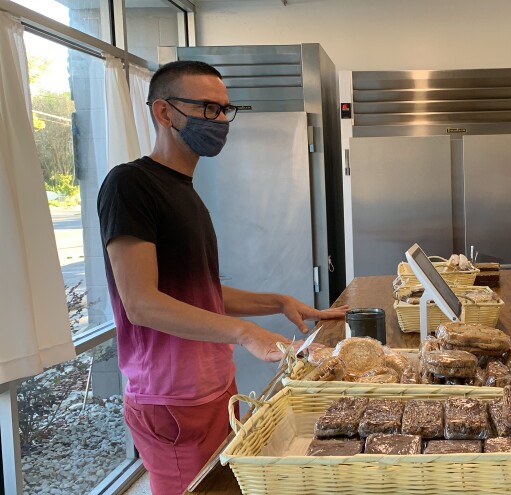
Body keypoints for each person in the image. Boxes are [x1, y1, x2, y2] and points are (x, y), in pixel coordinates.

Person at [97, 60, 348, 495]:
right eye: (208, 109)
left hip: (214, 387)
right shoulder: (130, 185)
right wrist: (245, 333)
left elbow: (199, 294)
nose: (219, 121)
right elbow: (141, 303)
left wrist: (277, 302)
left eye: (225, 110)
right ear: (164, 112)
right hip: (172, 398)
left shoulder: (185, 193)